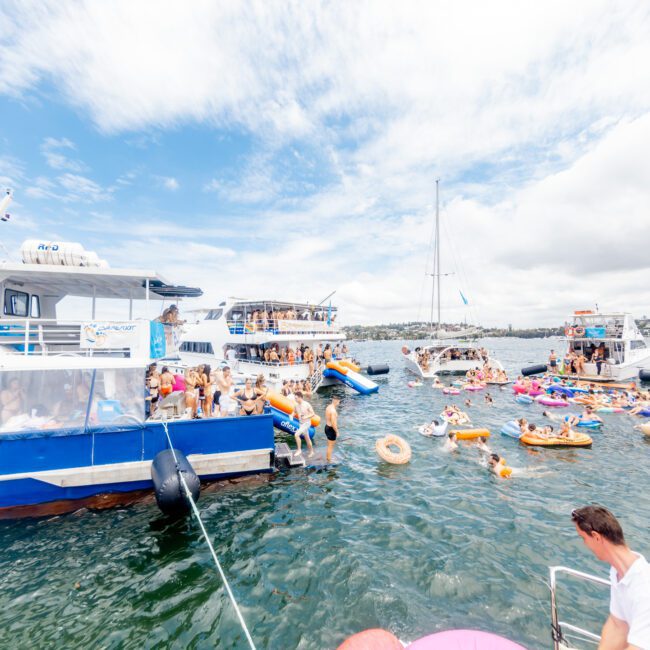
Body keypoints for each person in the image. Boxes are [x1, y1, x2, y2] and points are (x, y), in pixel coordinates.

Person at [571, 505, 650, 649]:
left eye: (583, 538)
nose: (585, 544)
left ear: (596, 537)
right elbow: (618, 625)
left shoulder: (645, 588)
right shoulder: (618, 573)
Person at [292, 391, 315, 459]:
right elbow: (294, 412)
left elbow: (313, 413)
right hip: (301, 424)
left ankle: (299, 450)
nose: (295, 399)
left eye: (296, 398)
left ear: (300, 397)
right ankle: (311, 452)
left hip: (307, 423)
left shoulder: (306, 404)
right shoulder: (296, 405)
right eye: (295, 398)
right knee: (307, 439)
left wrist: (306, 417)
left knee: (296, 435)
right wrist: (291, 415)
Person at [324, 396, 340, 462]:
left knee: (329, 445)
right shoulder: (333, 411)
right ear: (337, 401)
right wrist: (337, 431)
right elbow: (333, 423)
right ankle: (329, 460)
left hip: (327, 427)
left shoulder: (329, 407)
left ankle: (328, 457)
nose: (339, 403)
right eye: (339, 401)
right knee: (330, 446)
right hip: (331, 429)